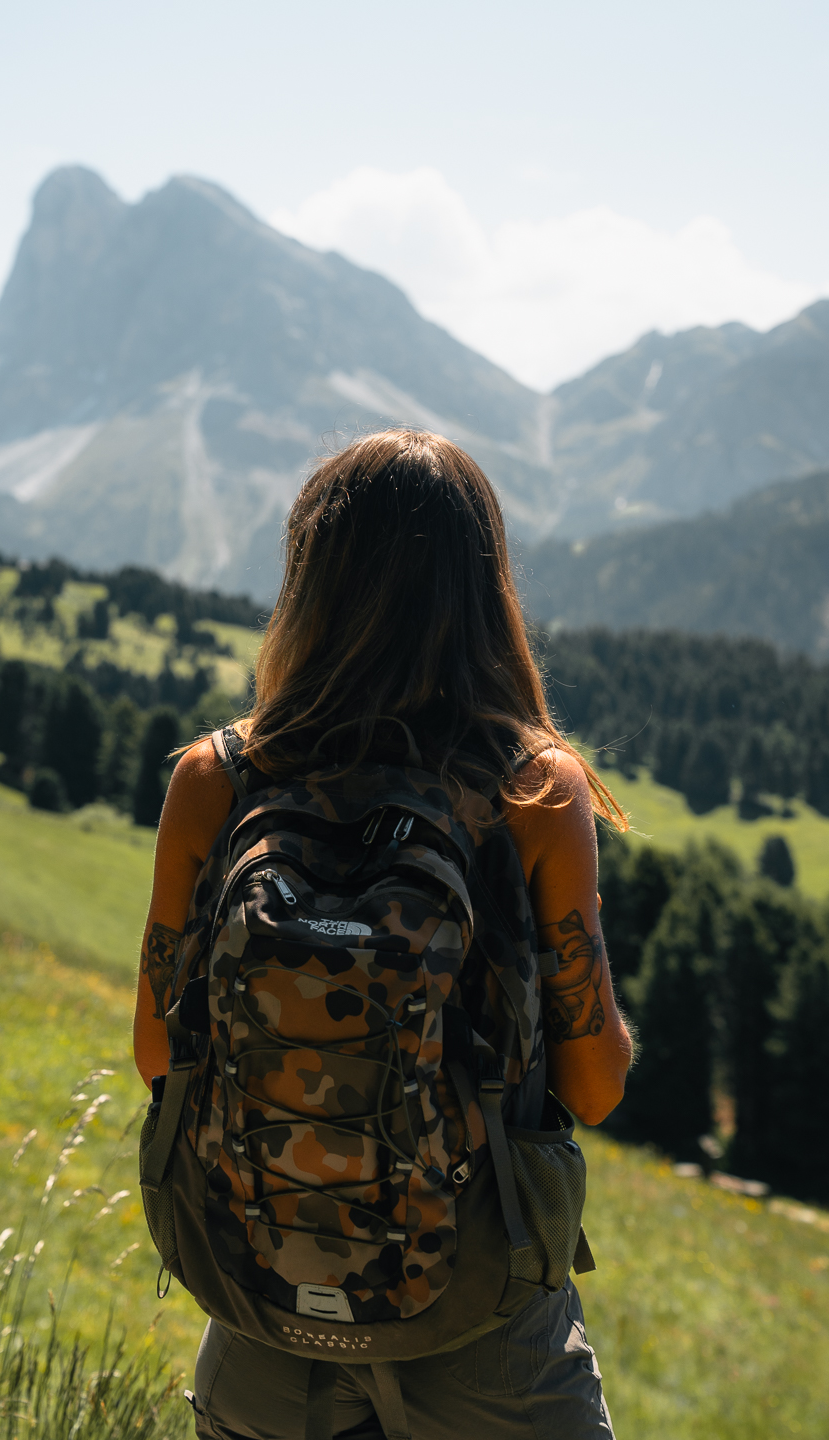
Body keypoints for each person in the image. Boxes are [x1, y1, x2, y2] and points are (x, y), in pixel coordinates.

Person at [133, 429, 633, 1440]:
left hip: (263, 1310)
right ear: (485, 587)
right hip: (482, 1329)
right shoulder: (531, 787)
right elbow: (593, 1086)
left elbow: (156, 1055)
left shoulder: (217, 778)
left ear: (308, 580)